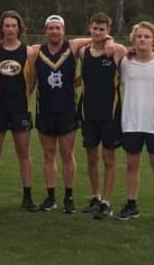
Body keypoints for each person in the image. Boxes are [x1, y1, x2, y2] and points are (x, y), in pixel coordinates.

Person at [31, 15, 105, 213]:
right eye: (51, 28)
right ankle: (50, 196)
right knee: (48, 155)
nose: (54, 31)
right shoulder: (36, 51)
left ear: (63, 30)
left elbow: (100, 37)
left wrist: (111, 41)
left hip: (67, 111)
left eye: (58, 28)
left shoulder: (72, 47)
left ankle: (69, 197)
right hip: (45, 110)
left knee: (67, 154)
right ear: (46, 30)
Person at [117, 21, 154, 225]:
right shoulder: (125, 63)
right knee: (132, 165)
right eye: (139, 36)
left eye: (147, 36)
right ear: (134, 39)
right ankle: (131, 204)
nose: (142, 39)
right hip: (131, 122)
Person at [0, 10, 38, 211]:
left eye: (13, 26)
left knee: (23, 152)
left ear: (19, 28)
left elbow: (32, 81)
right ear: (1, 28)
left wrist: (23, 97)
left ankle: (27, 195)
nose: (10, 29)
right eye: (6, 25)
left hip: (19, 109)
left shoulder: (28, 52)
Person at [78, 13, 127, 220]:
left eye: (102, 29)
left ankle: (106, 201)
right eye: (95, 28)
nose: (98, 32)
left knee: (109, 158)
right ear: (89, 27)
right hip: (88, 112)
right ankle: (96, 197)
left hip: (110, 112)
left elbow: (127, 57)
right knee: (91, 157)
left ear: (108, 30)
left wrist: (110, 41)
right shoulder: (83, 52)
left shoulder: (116, 51)